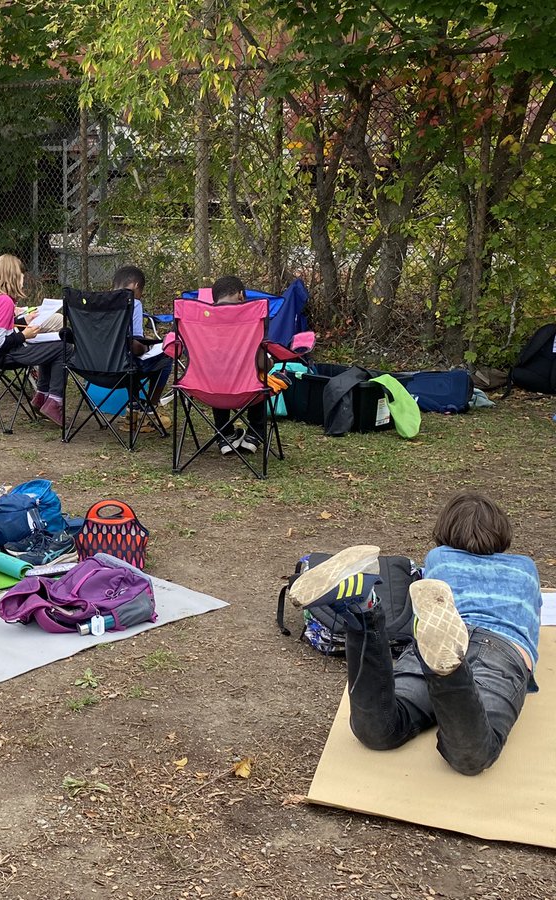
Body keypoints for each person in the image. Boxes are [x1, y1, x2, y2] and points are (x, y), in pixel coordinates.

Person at [288, 493, 541, 776]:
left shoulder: (439, 557)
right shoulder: (525, 568)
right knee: (471, 756)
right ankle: (449, 670)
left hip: (437, 636)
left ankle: (364, 610)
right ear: (502, 531)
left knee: (380, 731)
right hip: (500, 649)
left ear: (444, 530)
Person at [0, 254, 68, 426]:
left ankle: (41, 396)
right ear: (13, 277)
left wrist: (24, 322)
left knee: (49, 346)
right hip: (1, 356)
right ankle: (54, 401)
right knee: (64, 348)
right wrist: (24, 335)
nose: (23, 280)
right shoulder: (5, 302)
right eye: (22, 276)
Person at [207, 274, 265, 455]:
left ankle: (225, 435)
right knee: (260, 371)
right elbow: (262, 358)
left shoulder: (199, 318)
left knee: (217, 372)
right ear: (241, 295)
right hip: (248, 389)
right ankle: (255, 434)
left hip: (208, 389)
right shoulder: (253, 317)